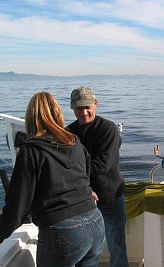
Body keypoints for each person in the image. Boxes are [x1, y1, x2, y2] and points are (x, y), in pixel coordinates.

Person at [0, 92, 105, 267]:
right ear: (58, 113)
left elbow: (16, 208)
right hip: (95, 222)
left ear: (31, 118)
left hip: (63, 232)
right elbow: (85, 178)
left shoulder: (31, 151)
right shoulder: (75, 142)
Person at [67, 86, 129, 267]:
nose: (84, 112)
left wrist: (80, 183)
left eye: (87, 107)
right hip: (80, 200)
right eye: (79, 108)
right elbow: (63, 167)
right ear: (72, 108)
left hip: (110, 197)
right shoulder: (68, 133)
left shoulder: (108, 129)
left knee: (116, 244)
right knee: (83, 247)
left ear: (96, 104)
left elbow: (102, 165)